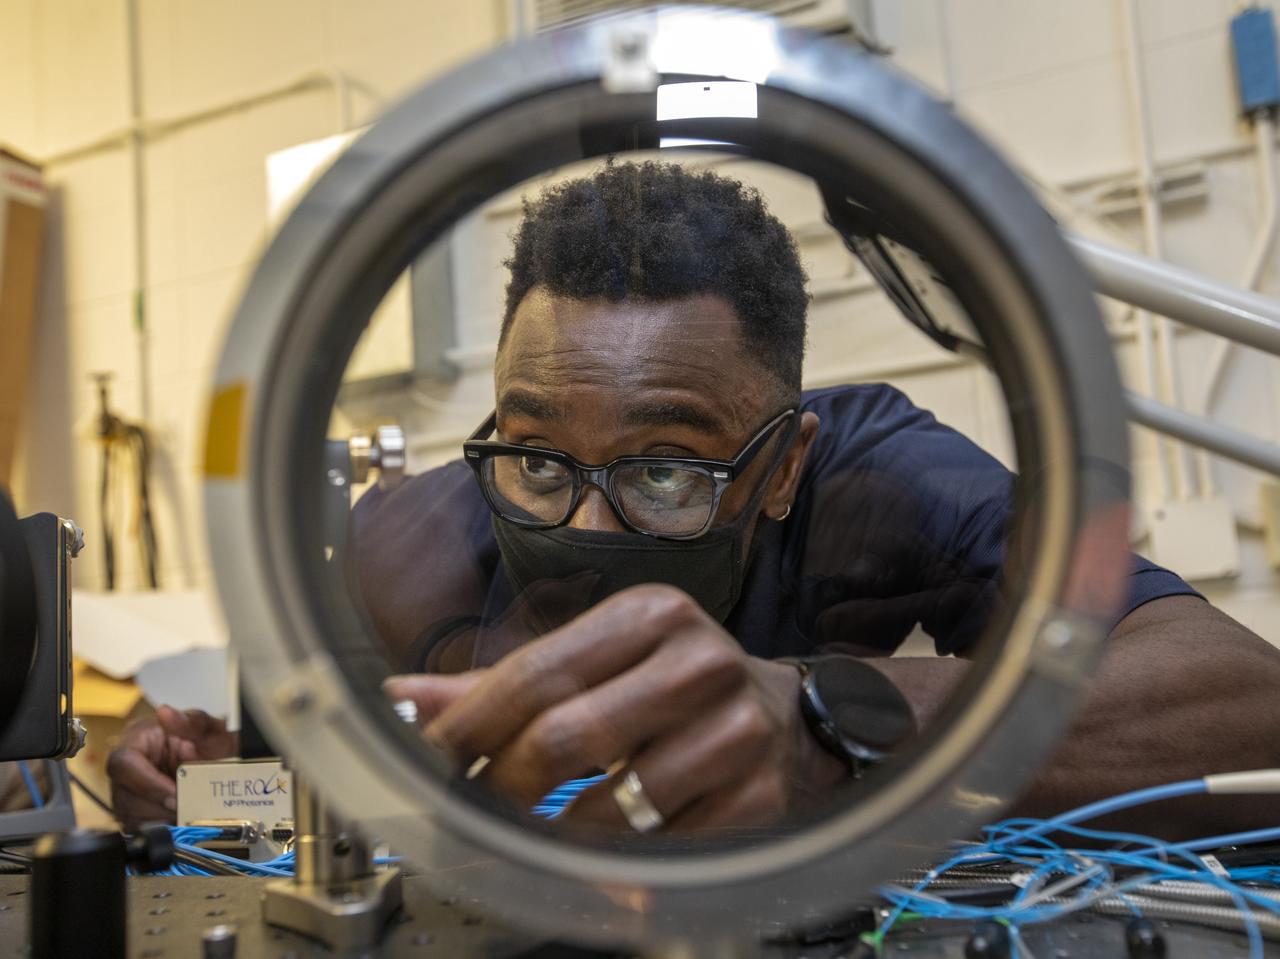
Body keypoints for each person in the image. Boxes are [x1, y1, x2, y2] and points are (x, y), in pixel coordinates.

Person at [109, 161, 1280, 837]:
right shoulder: (402, 541)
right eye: (536, 457)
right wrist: (185, 769)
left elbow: (1236, 687)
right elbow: (261, 776)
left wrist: (836, 722)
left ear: (779, 467)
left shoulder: (872, 477)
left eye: (664, 467)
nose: (583, 521)